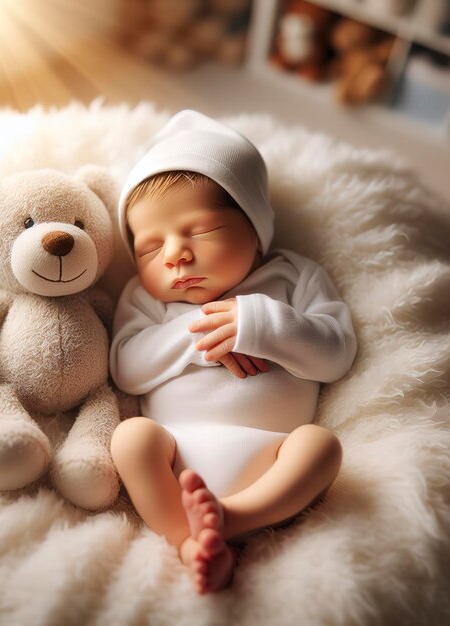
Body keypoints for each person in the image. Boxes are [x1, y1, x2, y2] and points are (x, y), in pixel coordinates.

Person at [109, 110, 357, 594]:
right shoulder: (147, 299)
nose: (174, 255)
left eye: (198, 231)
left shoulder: (291, 277)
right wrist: (197, 338)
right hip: (175, 455)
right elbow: (126, 368)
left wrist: (264, 326)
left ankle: (229, 519)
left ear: (256, 229)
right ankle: (190, 540)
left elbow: (337, 353)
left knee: (320, 446)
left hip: (273, 456)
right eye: (148, 247)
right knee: (131, 438)